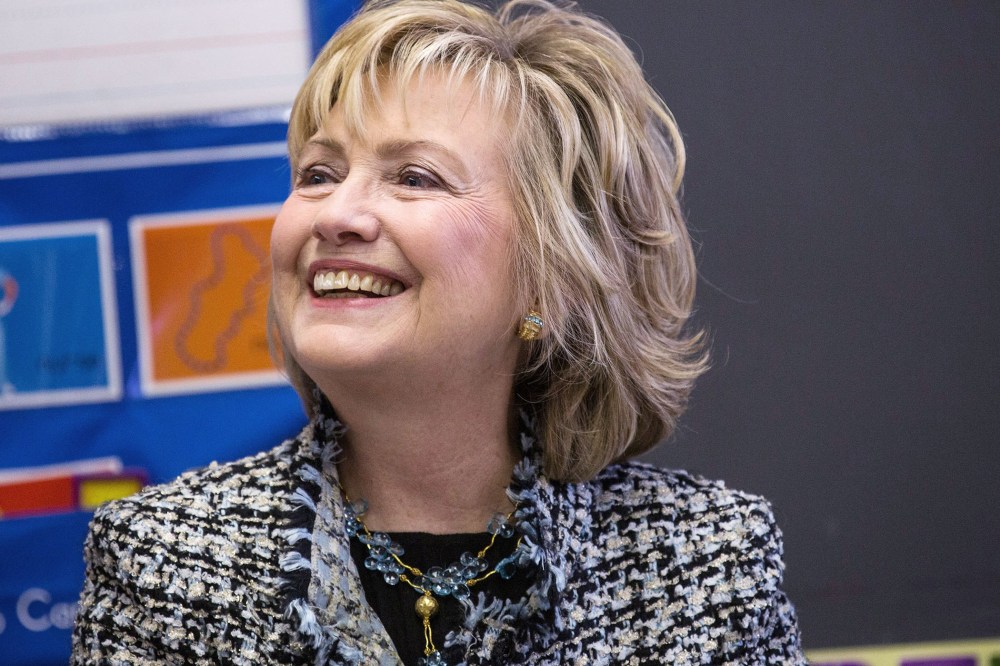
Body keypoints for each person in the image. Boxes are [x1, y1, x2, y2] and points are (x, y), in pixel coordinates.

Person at [71, 0, 805, 664]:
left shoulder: (705, 563)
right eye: (319, 173)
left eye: (415, 178)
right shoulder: (162, 562)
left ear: (553, 268)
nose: (336, 214)